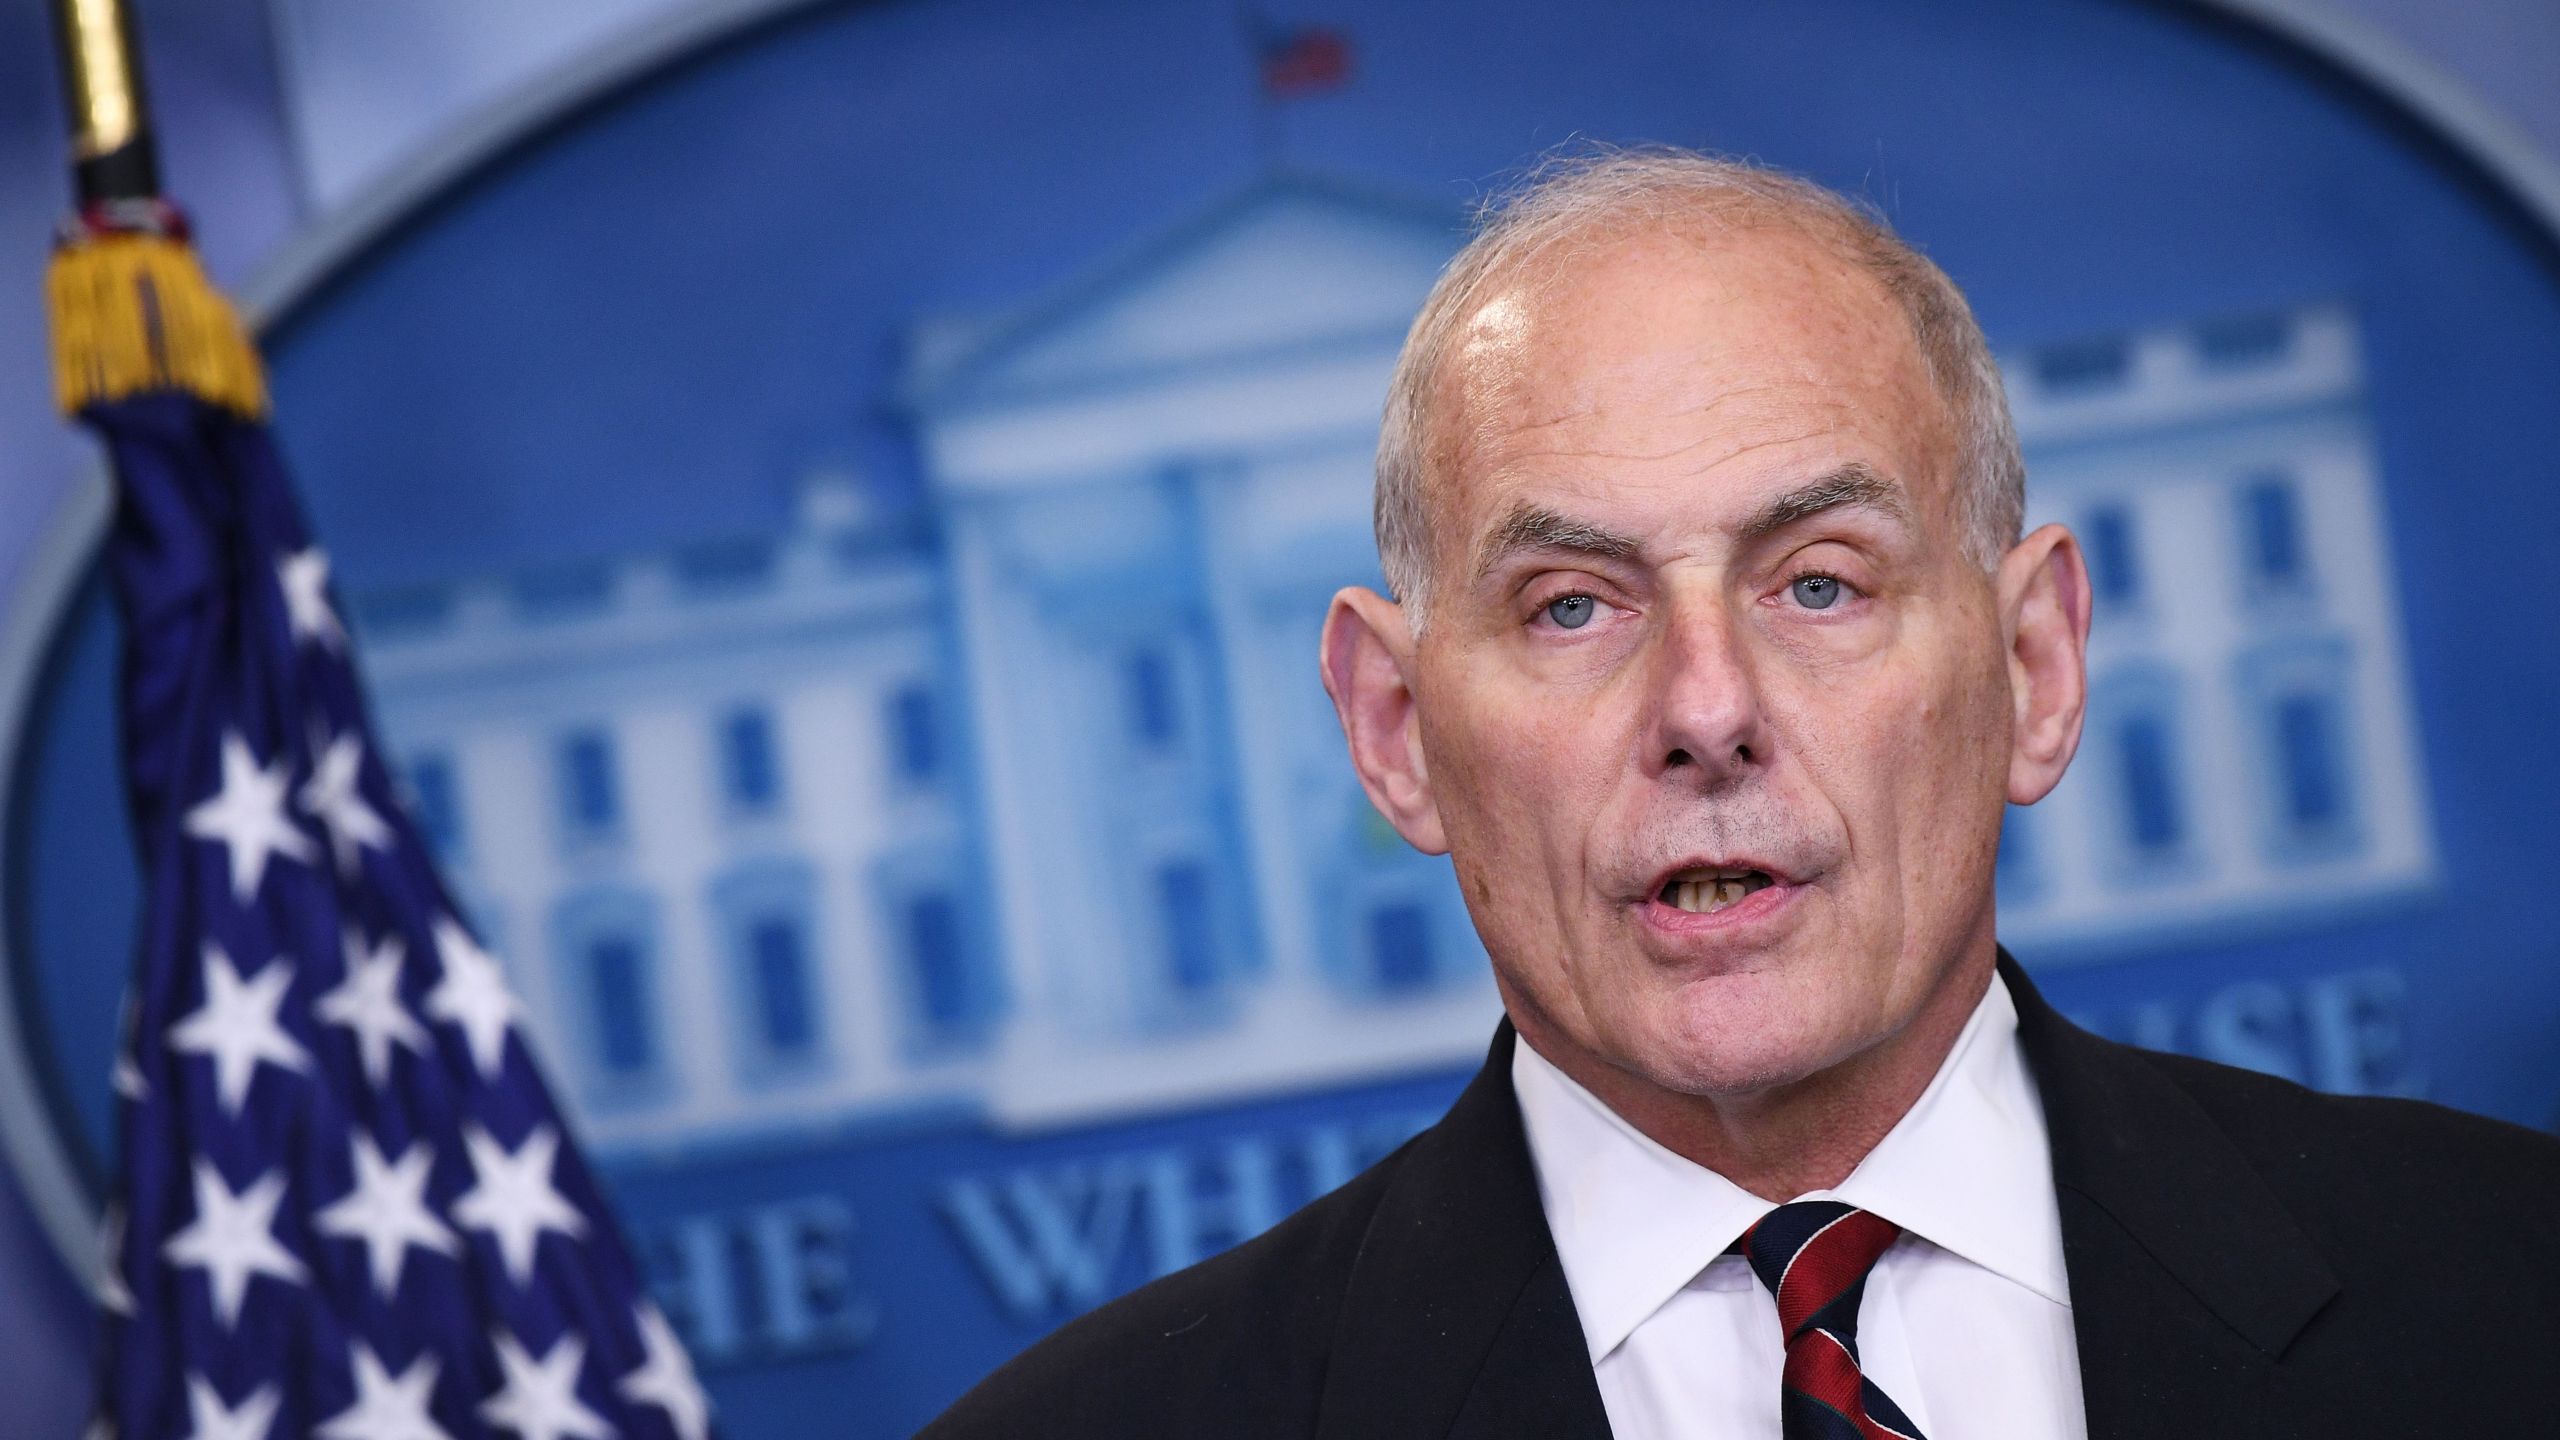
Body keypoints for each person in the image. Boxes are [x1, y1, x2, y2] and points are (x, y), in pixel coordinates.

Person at [918, 148, 2560, 1439]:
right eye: (1572, 603)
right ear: (1400, 732)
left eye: (1820, 583)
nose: (1709, 712)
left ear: (2035, 670)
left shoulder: (2513, 1290)